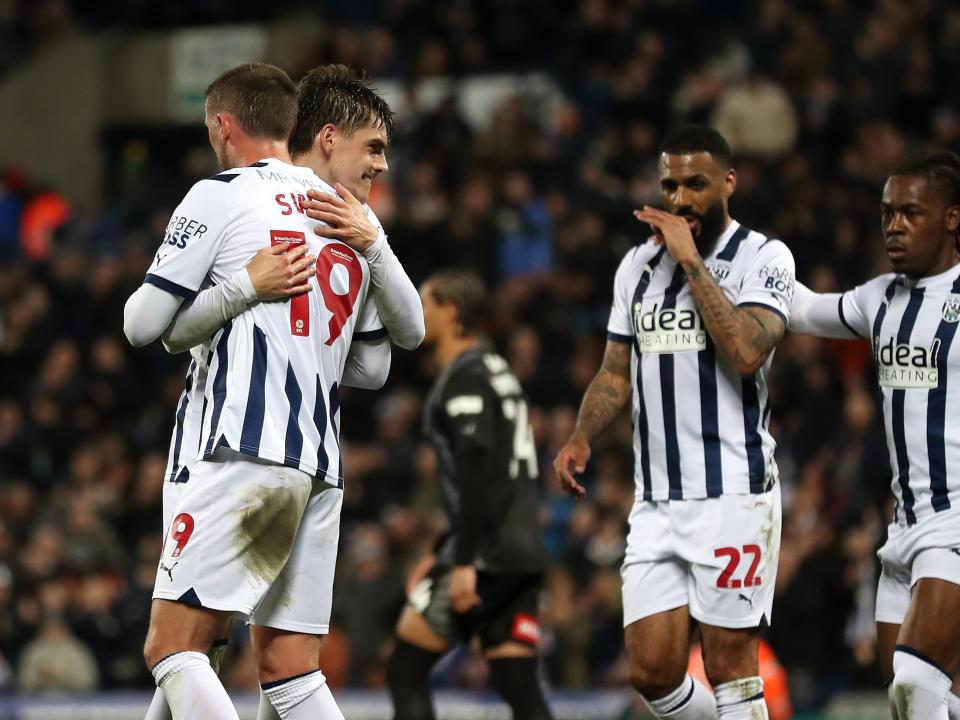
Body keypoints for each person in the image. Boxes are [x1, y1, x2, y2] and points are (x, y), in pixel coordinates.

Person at [123, 63, 420, 720]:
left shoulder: (223, 194)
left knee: (173, 649)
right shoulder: (347, 219)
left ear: (222, 125)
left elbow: (142, 325)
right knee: (289, 672)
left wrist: (237, 294)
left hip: (239, 451)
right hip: (319, 465)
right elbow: (372, 371)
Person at [553, 124, 796, 720]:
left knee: (730, 669)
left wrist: (691, 262)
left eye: (695, 184)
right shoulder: (635, 267)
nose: (680, 198)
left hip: (733, 495)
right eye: (669, 184)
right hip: (657, 502)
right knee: (651, 672)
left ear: (728, 183)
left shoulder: (764, 257)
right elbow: (615, 372)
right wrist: (583, 434)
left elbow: (745, 352)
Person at [789, 150, 960, 720]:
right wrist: (735, 254)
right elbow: (804, 309)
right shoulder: (879, 298)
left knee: (914, 686)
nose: (894, 225)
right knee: (917, 703)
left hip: (955, 524)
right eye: (888, 213)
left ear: (952, 218)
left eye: (911, 213)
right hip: (903, 531)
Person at [384, 271, 553, 720]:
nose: (417, 311)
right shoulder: (497, 370)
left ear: (452, 311)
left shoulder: (465, 379)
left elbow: (480, 475)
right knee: (516, 681)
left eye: (426, 302)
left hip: (486, 555)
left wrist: (460, 562)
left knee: (405, 669)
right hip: (520, 552)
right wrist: (441, 549)